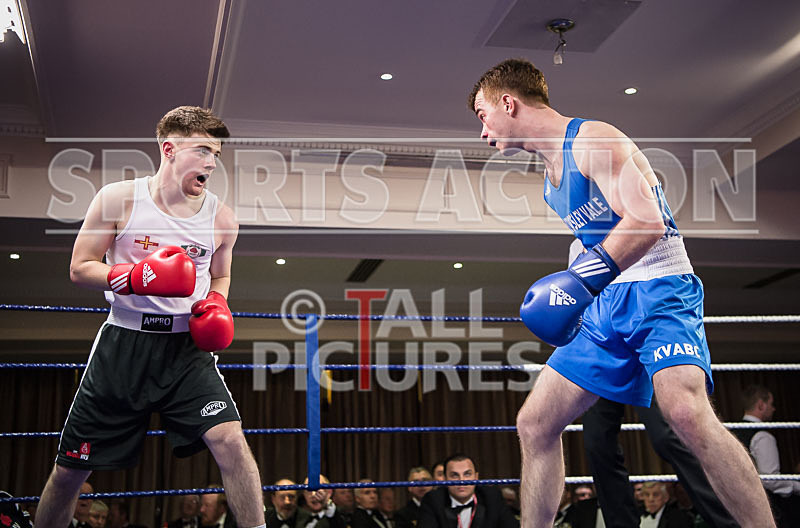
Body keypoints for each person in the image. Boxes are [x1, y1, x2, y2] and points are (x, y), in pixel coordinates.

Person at [468, 58, 774, 527]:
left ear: (507, 102)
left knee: (686, 414)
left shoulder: (593, 139)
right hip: (606, 303)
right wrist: (577, 280)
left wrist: (580, 279)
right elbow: (596, 239)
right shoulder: (551, 178)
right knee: (534, 423)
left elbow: (648, 221)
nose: (483, 131)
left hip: (658, 290)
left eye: (482, 114)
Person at [35, 106, 266, 528]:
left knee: (231, 441)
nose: (212, 163)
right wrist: (135, 276)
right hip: (124, 343)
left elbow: (221, 273)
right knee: (71, 469)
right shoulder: (118, 199)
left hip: (186, 350)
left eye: (216, 153)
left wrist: (217, 302)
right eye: (202, 150)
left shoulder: (222, 217)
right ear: (169, 149)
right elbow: (80, 267)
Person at [582, 396, 737, 526]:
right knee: (597, 443)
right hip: (601, 363)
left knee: (666, 437)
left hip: (646, 363)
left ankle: (728, 521)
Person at [735, 385, 800, 527]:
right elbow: (771, 480)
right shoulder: (762, 436)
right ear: (761, 405)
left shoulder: (731, 432)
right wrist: (796, 485)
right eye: (771, 404)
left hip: (736, 507)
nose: (774, 408)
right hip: (764, 509)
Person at [418, 454, 517, 528]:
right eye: (454, 475)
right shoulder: (432, 500)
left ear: (476, 477)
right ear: (445, 479)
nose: (462, 481)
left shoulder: (492, 496)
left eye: (467, 474)